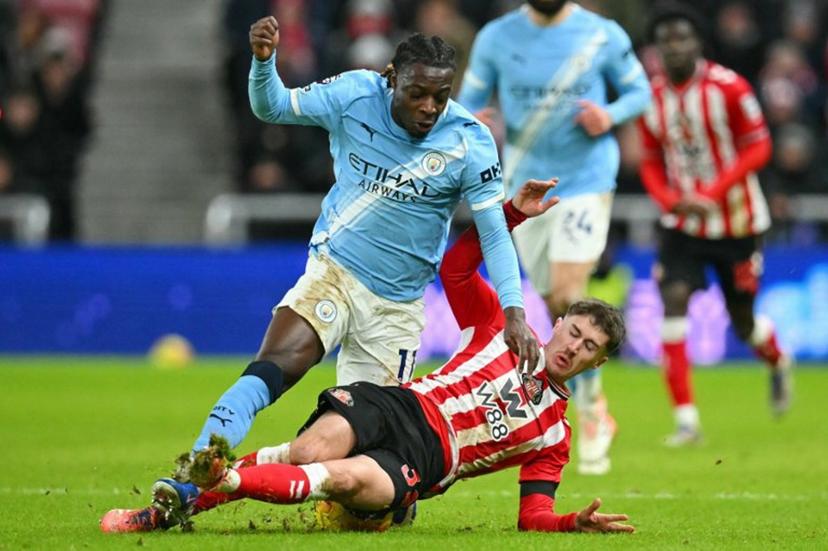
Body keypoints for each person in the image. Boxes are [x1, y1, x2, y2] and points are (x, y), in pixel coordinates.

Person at [146, 17, 541, 527]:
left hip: (396, 310)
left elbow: (493, 233)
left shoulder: (470, 142)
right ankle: (194, 472)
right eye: (417, 93)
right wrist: (264, 63)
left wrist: (514, 310)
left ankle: (391, 503)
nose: (429, 107)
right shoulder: (355, 94)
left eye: (440, 97)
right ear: (391, 77)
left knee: (366, 505)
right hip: (335, 271)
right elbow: (273, 106)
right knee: (276, 363)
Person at [101, 180, 633, 535]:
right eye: (574, 332)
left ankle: (217, 480)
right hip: (400, 405)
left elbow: (532, 514)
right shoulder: (502, 329)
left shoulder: (554, 437)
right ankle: (169, 508)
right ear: (558, 323)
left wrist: (571, 523)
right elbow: (457, 268)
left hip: (428, 463)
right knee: (307, 452)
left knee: (340, 479)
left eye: (589, 347)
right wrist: (510, 214)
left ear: (597, 364)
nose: (573, 347)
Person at [456, 0, 651, 475]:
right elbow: (467, 102)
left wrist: (609, 115)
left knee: (567, 292)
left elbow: (640, 92)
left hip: (586, 181)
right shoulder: (496, 37)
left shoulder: (601, 34)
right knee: (553, 304)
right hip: (525, 185)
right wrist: (474, 120)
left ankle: (591, 411)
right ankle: (587, 401)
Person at [637, 2, 793, 447]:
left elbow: (759, 147)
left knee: (742, 323)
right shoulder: (650, 97)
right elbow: (650, 160)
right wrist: (671, 200)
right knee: (673, 300)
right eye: (665, 41)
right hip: (682, 224)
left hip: (737, 223)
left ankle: (777, 361)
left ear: (698, 43)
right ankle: (687, 422)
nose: (674, 48)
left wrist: (715, 191)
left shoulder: (730, 87)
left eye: (681, 38)